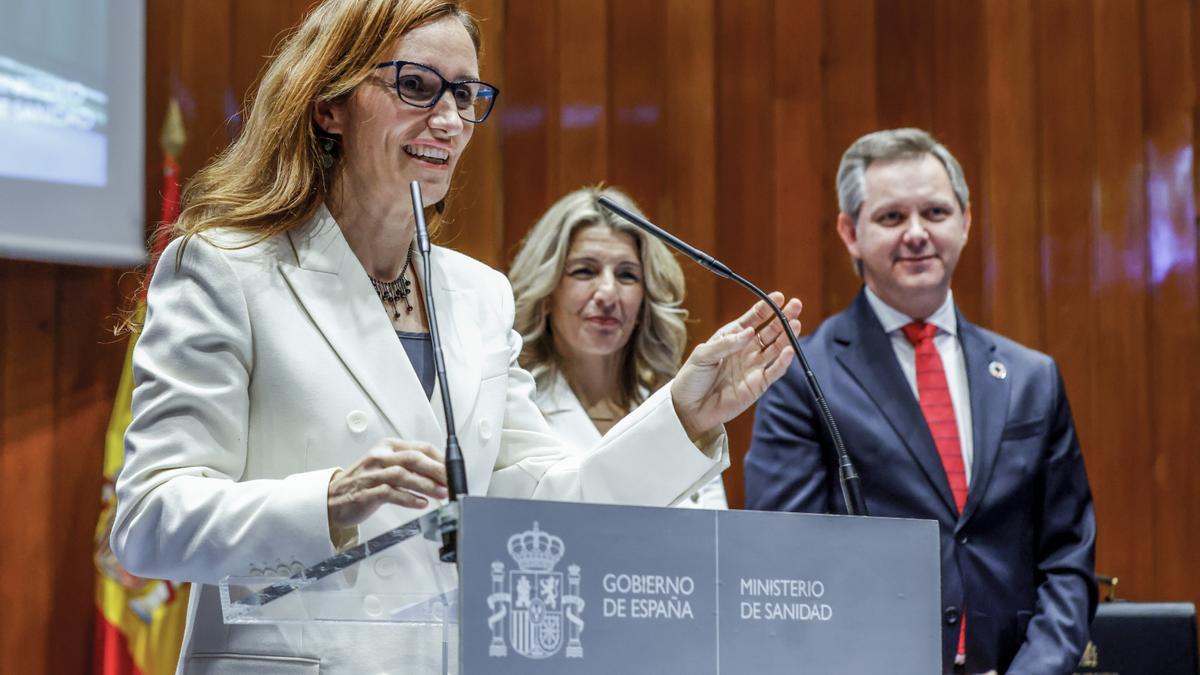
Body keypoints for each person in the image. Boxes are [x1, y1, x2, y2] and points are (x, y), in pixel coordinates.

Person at [110, 0, 801, 672]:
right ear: (330, 105)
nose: (447, 119)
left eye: (466, 94)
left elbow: (550, 504)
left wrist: (684, 413)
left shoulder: (476, 295)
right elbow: (146, 519)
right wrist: (328, 499)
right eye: (416, 86)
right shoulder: (227, 267)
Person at [744, 128, 1096, 675]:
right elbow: (786, 564)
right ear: (850, 232)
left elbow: (1068, 559)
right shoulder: (802, 376)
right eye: (890, 218)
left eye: (934, 212)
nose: (916, 234)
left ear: (966, 221)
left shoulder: (1032, 378)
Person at [509, 185, 728, 509]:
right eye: (584, 271)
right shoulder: (515, 408)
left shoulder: (679, 411)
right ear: (546, 294)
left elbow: (714, 542)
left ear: (645, 299)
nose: (608, 294)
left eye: (627, 275)